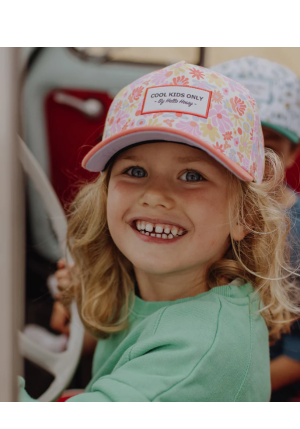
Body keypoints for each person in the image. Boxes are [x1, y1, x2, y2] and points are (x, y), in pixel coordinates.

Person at [19, 61, 300, 402]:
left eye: (192, 176)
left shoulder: (197, 357)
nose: (155, 196)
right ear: (106, 196)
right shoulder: (165, 285)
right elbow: (115, 337)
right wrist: (81, 300)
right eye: (135, 170)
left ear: (244, 217)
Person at [211, 56, 300, 401]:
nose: (251, 155)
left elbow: (296, 355)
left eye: (270, 146)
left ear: (293, 153)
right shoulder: (192, 218)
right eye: (238, 139)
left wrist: (226, 393)